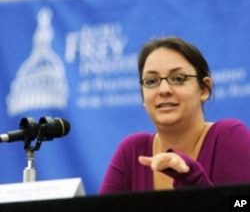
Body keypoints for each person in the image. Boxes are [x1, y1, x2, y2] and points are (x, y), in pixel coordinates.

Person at [99, 36, 250, 194]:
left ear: (204, 89)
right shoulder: (132, 151)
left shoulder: (229, 136)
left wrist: (192, 178)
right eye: (151, 82)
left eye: (178, 79)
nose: (164, 90)